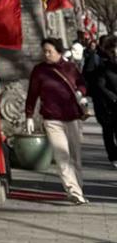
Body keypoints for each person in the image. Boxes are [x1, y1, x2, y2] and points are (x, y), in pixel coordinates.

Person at [26, 37, 89, 202]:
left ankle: (79, 189)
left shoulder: (70, 67)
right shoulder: (39, 71)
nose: (46, 54)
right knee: (62, 156)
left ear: (59, 52)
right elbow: (32, 94)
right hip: (52, 119)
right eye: (44, 51)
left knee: (75, 157)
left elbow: (82, 83)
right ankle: (73, 191)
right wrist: (29, 116)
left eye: (50, 51)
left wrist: (80, 92)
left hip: (72, 117)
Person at [84, 35, 117, 168]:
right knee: (108, 131)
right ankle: (113, 156)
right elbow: (97, 83)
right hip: (104, 104)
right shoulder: (100, 62)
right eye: (113, 50)